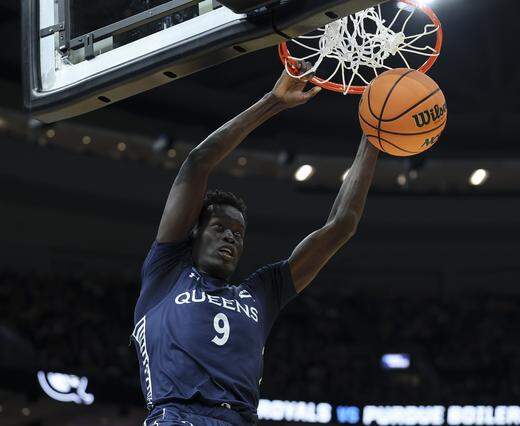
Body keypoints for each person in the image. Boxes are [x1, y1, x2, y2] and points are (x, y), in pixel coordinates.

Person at [131, 63, 379, 425]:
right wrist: (272, 102)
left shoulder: (259, 293)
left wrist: (373, 136)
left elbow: (342, 225)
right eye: (220, 227)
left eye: (238, 232)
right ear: (194, 232)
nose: (231, 235)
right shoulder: (166, 271)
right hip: (178, 415)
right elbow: (197, 163)